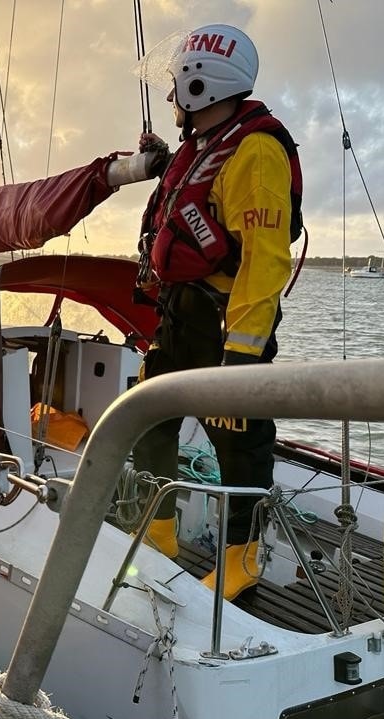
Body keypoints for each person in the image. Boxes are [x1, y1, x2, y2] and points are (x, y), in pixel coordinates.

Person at [131, 24, 303, 600]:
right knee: (149, 418)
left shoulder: (257, 152)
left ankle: (242, 556)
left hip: (228, 324)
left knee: (240, 444)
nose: (172, 96)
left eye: (178, 85)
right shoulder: (205, 145)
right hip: (182, 315)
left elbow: (265, 259)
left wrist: (242, 355)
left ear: (200, 84)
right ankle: (158, 530)